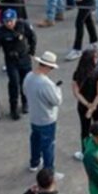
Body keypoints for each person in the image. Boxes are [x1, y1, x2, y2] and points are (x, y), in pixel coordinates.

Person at [0, 8, 36, 120]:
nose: (9, 23)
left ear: (15, 19)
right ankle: (13, 108)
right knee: (14, 83)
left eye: (11, 21)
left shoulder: (23, 25)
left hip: (24, 58)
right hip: (11, 61)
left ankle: (25, 102)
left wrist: (32, 51)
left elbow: (32, 37)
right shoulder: (1, 32)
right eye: (6, 21)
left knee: (26, 82)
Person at [23, 51, 64, 179]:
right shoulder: (46, 83)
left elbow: (24, 91)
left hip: (34, 116)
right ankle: (49, 172)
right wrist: (58, 89)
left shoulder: (29, 76)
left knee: (35, 140)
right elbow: (56, 101)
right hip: (47, 118)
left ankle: (34, 163)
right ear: (47, 66)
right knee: (48, 145)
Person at [71, 49, 98, 162]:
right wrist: (93, 107)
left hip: (83, 106)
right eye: (95, 57)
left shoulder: (77, 73)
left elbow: (76, 92)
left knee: (85, 130)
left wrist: (87, 105)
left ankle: (85, 152)